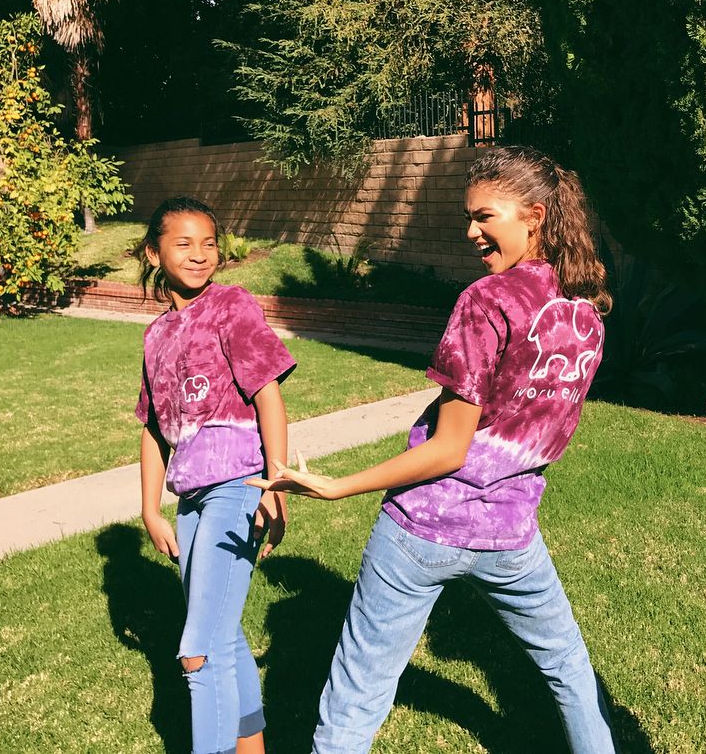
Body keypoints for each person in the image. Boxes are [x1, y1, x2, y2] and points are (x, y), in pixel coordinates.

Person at [250, 146, 619, 753]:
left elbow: (449, 450)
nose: (471, 231)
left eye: (485, 216)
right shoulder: (588, 312)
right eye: (469, 217)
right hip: (511, 532)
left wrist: (338, 485)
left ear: (535, 215)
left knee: (360, 688)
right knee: (569, 669)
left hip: (422, 528)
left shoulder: (487, 300)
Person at [134, 196, 295, 754]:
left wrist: (275, 485)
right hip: (191, 500)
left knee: (197, 652)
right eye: (183, 243)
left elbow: (268, 395)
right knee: (223, 638)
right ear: (154, 253)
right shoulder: (156, 334)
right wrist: (150, 509)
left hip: (238, 486)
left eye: (208, 243)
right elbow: (154, 427)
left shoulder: (232, 305)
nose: (200, 254)